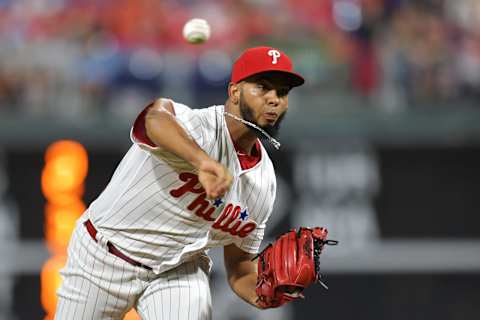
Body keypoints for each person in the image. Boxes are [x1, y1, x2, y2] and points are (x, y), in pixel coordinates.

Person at [55, 46, 304, 320]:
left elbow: (240, 267)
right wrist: (201, 161)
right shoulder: (198, 126)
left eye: (282, 92)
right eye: (262, 87)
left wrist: (264, 293)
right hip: (103, 255)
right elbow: (154, 118)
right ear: (234, 92)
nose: (274, 99)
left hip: (177, 270)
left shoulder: (263, 184)